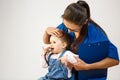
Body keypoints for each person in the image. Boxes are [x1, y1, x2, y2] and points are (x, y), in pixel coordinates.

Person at [43, 0, 119, 80]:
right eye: (66, 26)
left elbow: (114, 60)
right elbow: (49, 42)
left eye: (73, 30)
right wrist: (46, 32)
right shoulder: (65, 26)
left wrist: (87, 67)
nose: (68, 31)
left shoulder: (96, 35)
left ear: (85, 22)